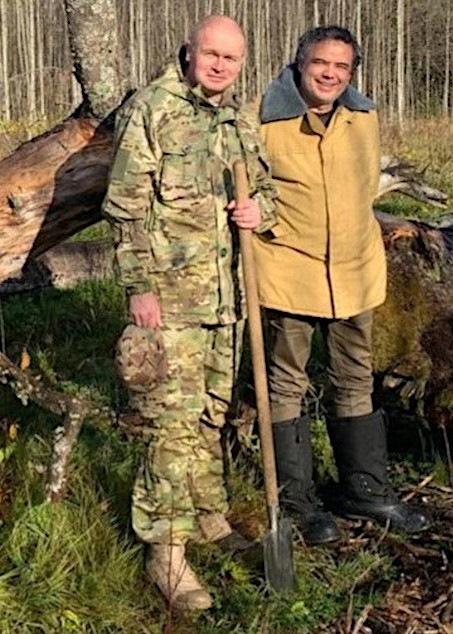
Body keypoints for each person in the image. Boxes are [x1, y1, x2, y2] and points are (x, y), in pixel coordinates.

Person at [102, 15, 276, 611]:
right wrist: (139, 289)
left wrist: (260, 213)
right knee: (169, 430)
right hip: (169, 303)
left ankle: (208, 518)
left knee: (210, 416)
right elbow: (124, 207)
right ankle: (165, 552)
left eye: (231, 58)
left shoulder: (241, 120)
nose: (220, 65)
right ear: (189, 52)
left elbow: (268, 192)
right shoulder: (152, 109)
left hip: (227, 301)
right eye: (211, 54)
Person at [252, 26, 429, 545]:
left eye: (341, 67)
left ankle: (365, 489)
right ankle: (296, 501)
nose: (329, 74)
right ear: (299, 64)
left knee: (355, 377)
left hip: (354, 269)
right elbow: (247, 190)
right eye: (320, 63)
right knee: (286, 383)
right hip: (289, 269)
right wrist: (259, 217)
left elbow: (362, 186)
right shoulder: (262, 120)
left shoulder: (362, 117)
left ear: (351, 72)